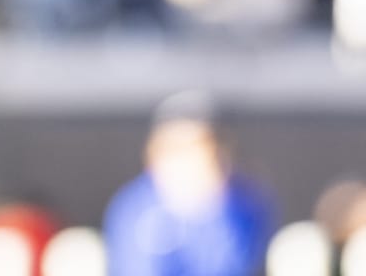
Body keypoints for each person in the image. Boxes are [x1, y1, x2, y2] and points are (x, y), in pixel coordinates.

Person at [101, 90, 273, 276]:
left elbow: (241, 264)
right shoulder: (133, 209)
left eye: (203, 148)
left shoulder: (247, 203)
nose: (190, 162)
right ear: (154, 153)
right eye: (177, 150)